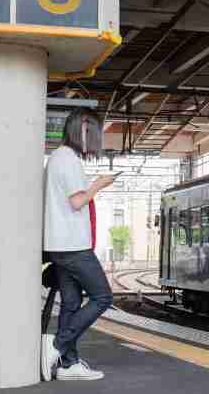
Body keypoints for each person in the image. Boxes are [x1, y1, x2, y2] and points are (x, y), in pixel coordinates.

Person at [41, 108, 117, 382]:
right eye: (95, 134)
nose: (96, 143)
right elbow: (77, 201)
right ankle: (57, 346)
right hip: (72, 246)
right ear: (83, 127)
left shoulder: (58, 158)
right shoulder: (68, 159)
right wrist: (99, 184)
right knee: (103, 297)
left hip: (61, 244)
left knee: (71, 303)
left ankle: (67, 365)